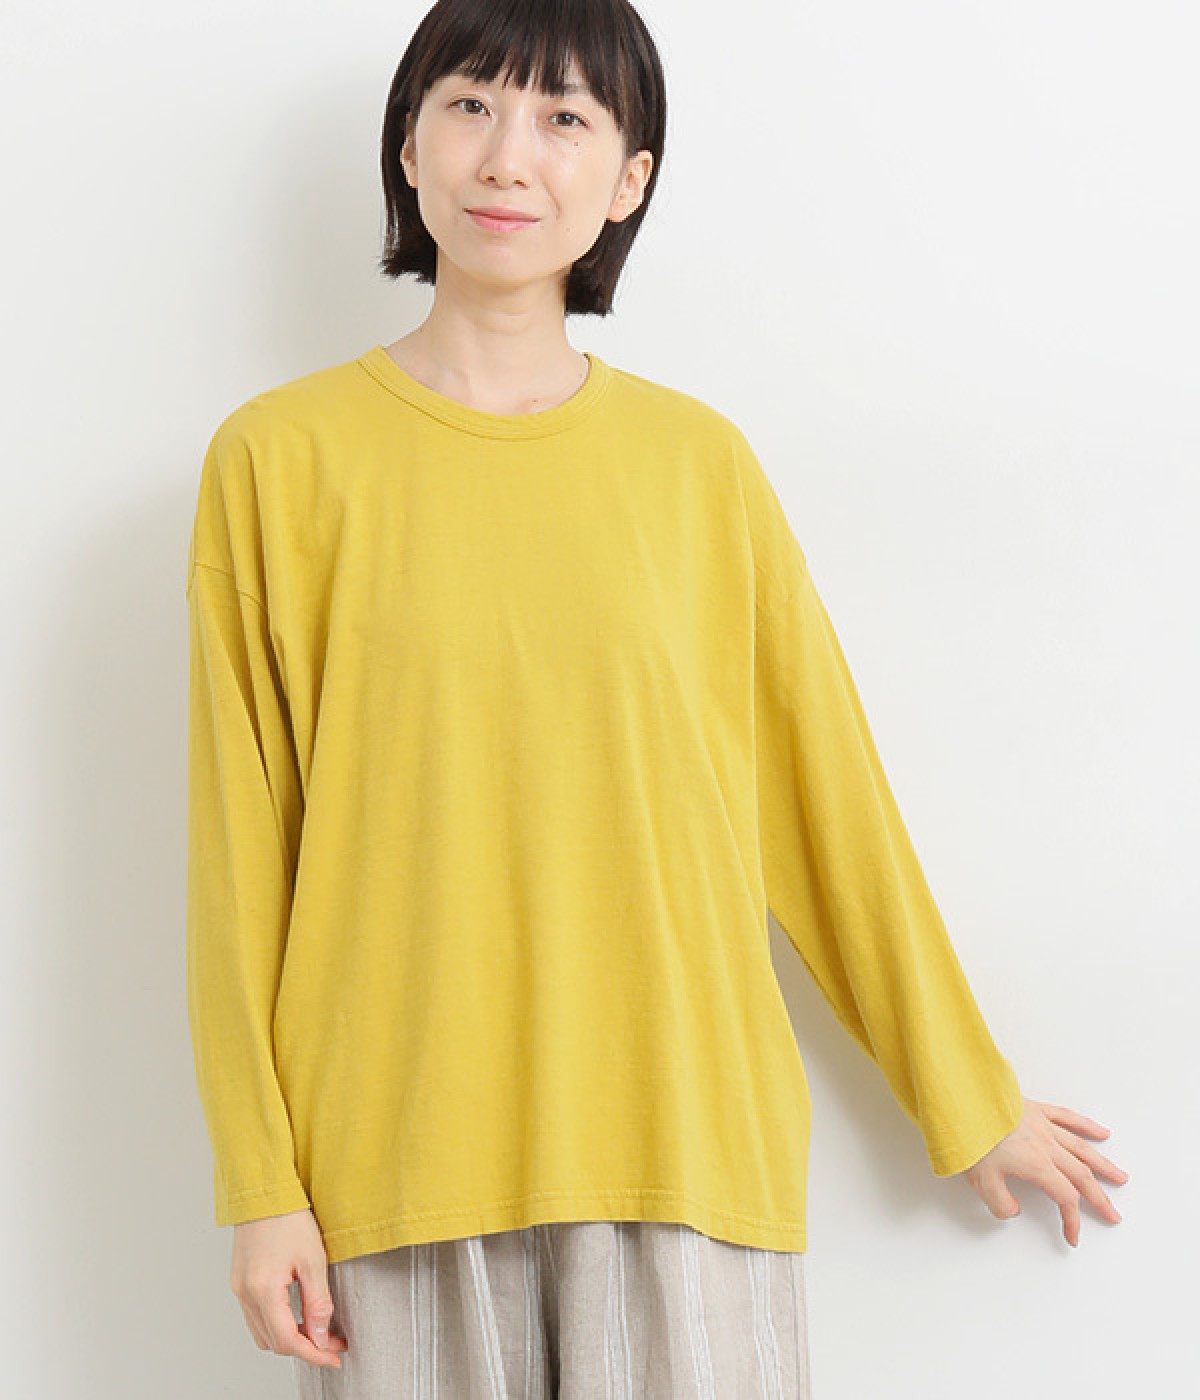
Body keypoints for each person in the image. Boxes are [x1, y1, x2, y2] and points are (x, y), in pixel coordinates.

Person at [183, 1, 1129, 1395]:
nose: (509, 156)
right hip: (391, 1163)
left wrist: (962, 1094)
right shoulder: (277, 463)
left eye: (564, 118)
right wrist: (260, 1183)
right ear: (408, 146)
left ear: (629, 179)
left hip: (681, 1148)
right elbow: (239, 857)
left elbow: (823, 804)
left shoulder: (700, 469)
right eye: (469, 105)